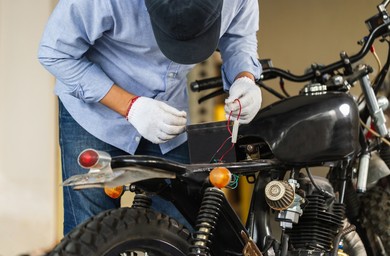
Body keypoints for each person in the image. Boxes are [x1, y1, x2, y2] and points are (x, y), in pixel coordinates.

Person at [38, 0, 262, 235]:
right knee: (90, 232)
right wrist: (131, 107)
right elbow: (54, 53)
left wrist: (244, 77)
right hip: (94, 116)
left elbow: (238, 36)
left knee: (180, 231)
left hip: (168, 120)